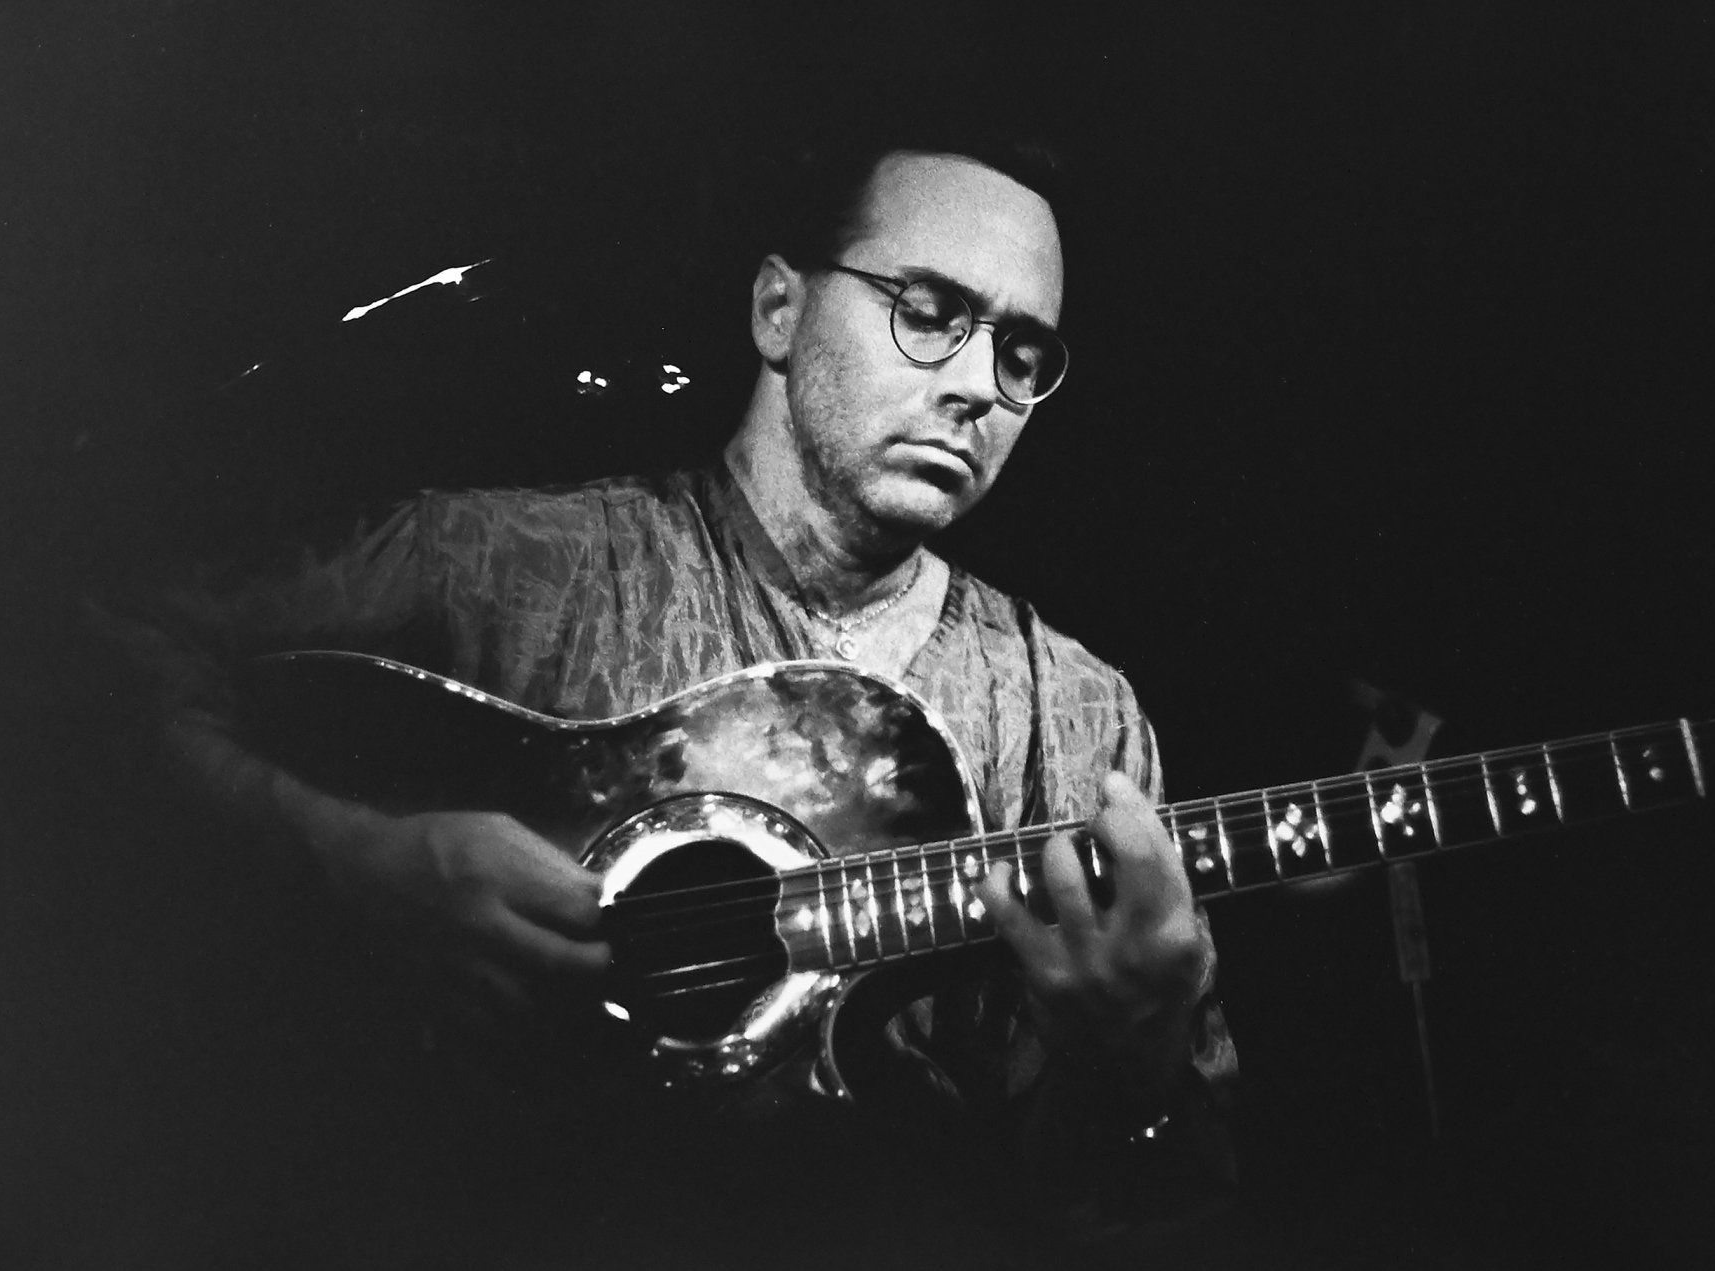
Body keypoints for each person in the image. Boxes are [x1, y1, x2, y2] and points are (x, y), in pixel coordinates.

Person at [108, 118, 1238, 1257]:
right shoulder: (507, 569)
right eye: (929, 310)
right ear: (779, 310)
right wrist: (351, 859)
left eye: (1022, 354)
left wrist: (1133, 1060)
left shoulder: (1079, 718)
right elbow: (97, 653)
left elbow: (1149, 1216)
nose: (980, 387)